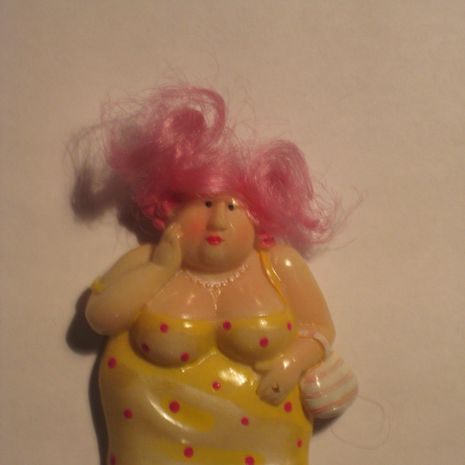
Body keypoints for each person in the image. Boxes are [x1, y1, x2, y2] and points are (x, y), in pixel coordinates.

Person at [85, 85, 336, 465]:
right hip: (153, 441)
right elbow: (101, 317)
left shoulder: (279, 265)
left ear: (260, 216)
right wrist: (159, 270)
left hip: (265, 441)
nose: (218, 220)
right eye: (204, 204)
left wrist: (294, 362)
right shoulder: (148, 259)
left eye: (233, 208)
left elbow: (320, 329)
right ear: (169, 208)